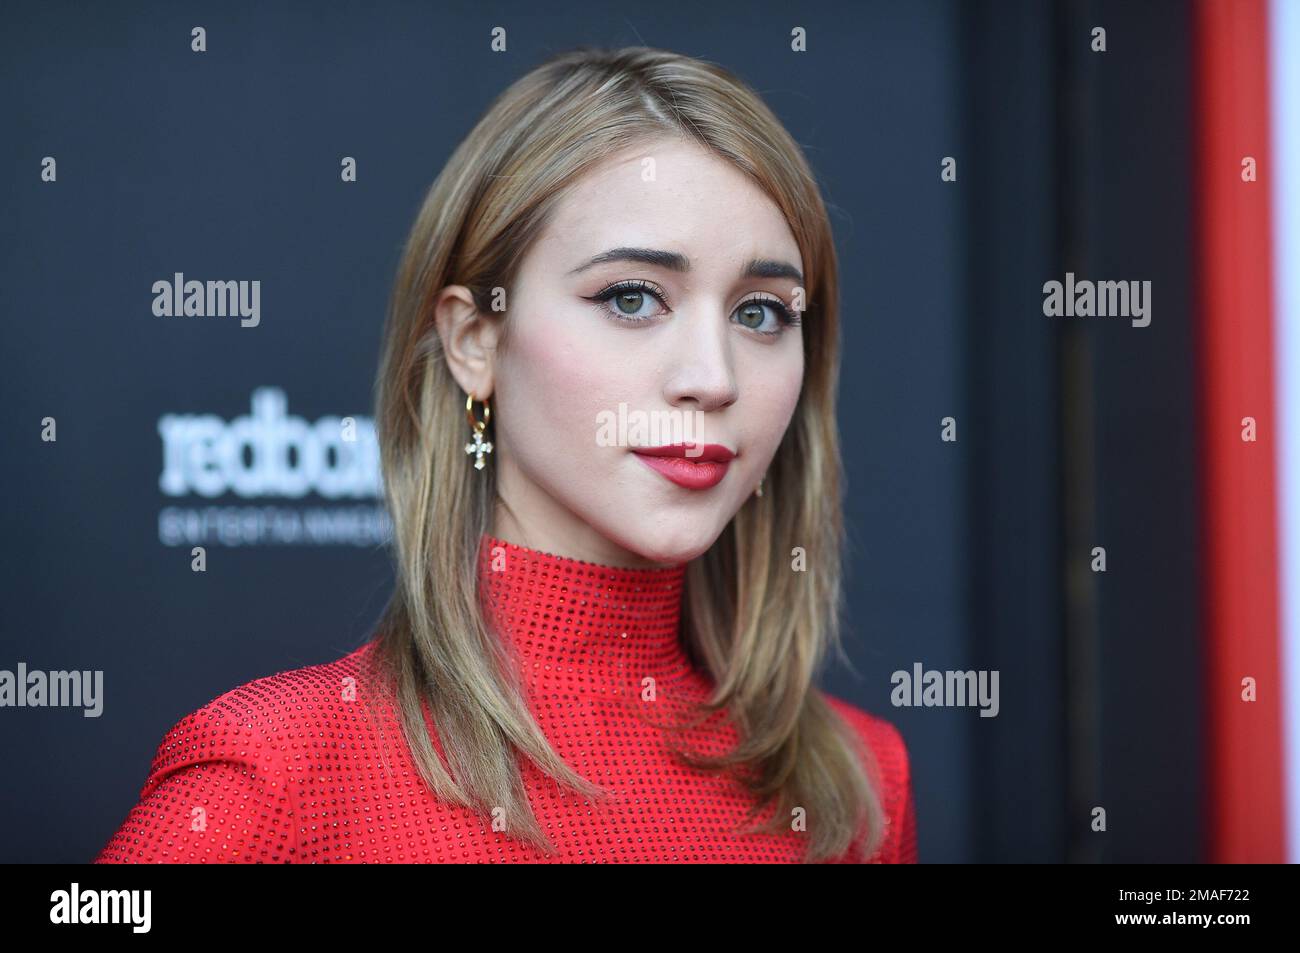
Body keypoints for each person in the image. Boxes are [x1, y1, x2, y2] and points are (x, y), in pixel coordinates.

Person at [94, 45, 917, 864]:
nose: (713, 376)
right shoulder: (281, 769)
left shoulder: (856, 787)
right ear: (474, 339)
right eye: (632, 298)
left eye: (763, 313)